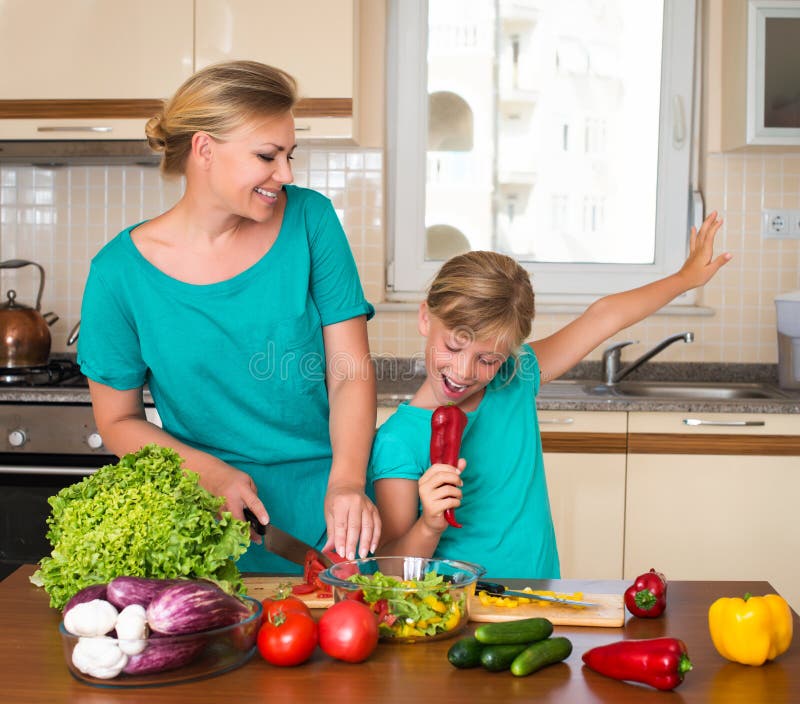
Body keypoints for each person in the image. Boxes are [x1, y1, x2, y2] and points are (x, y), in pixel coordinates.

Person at [77, 60, 380, 573]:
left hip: (332, 511)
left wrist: (348, 481)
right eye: (267, 155)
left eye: (289, 155)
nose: (285, 174)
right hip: (206, 516)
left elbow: (349, 371)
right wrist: (208, 475)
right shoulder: (117, 274)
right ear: (204, 149)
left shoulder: (310, 221)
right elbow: (117, 420)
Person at [369, 212, 730, 578]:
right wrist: (429, 525)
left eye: (487, 359)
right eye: (452, 346)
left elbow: (603, 317)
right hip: (456, 613)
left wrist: (686, 279)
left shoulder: (515, 378)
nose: (463, 371)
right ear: (426, 319)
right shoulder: (397, 441)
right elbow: (390, 569)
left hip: (537, 595)